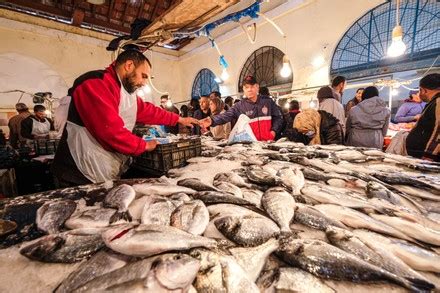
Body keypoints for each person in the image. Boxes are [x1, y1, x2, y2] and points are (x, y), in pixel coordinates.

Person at [52, 49, 197, 186]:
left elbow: (148, 110)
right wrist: (143, 145)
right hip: (78, 171)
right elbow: (110, 130)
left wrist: (179, 119)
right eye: (144, 76)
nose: (144, 83)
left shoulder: (126, 94)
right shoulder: (96, 82)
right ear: (129, 65)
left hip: (101, 168)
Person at [199, 76, 283, 141]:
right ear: (243, 89)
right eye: (247, 87)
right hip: (250, 145)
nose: (250, 89)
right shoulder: (239, 106)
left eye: (252, 86)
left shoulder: (268, 101)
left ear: (257, 87)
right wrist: (211, 120)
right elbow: (226, 116)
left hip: (268, 142)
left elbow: (278, 118)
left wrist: (273, 132)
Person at [406, 73, 440, 161]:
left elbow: (438, 131)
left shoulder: (438, 101)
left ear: (424, 90)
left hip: (429, 158)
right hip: (421, 153)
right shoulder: (434, 102)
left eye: (419, 90)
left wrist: (430, 155)